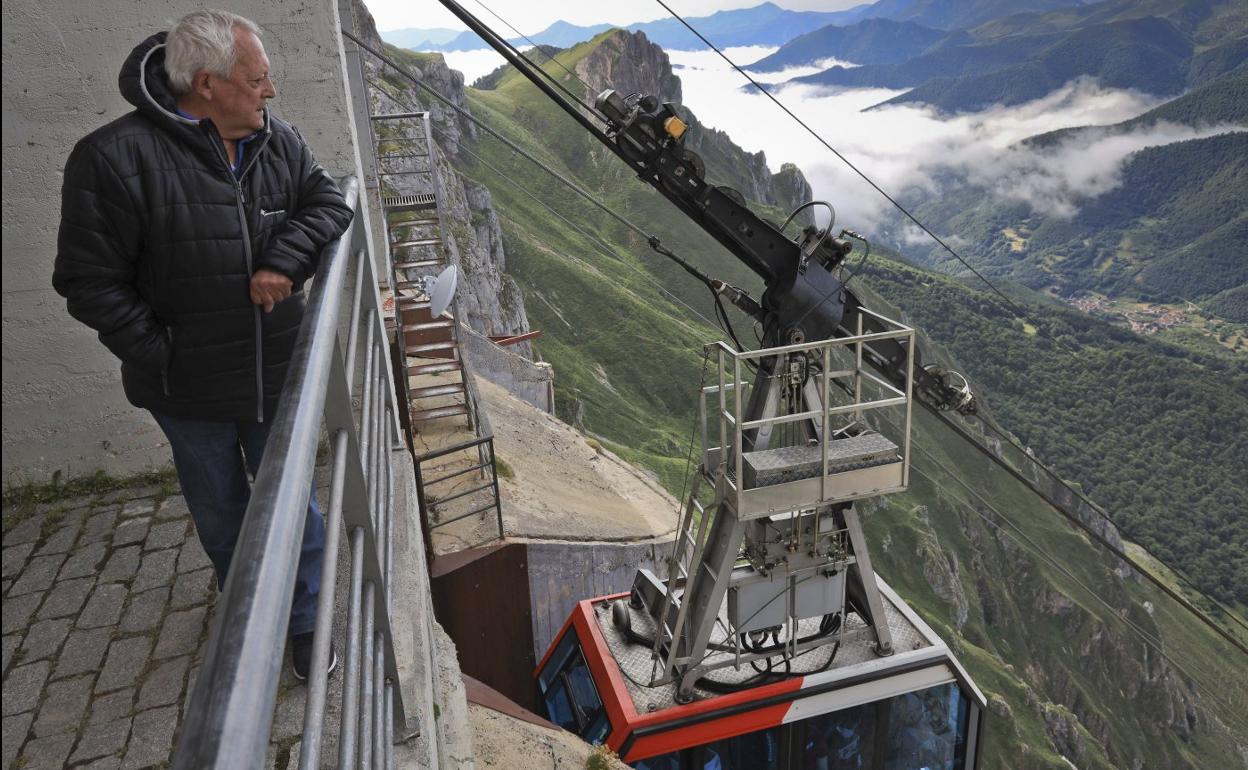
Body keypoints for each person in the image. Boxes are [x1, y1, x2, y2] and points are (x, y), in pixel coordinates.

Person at [52, 9, 353, 680]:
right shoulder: (111, 160)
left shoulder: (278, 141)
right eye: (258, 80)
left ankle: (305, 623)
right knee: (220, 511)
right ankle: (249, 610)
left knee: (291, 504)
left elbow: (328, 205)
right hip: (185, 388)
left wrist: (285, 258)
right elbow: (85, 281)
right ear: (208, 84)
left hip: (274, 370)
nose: (269, 93)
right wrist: (164, 352)